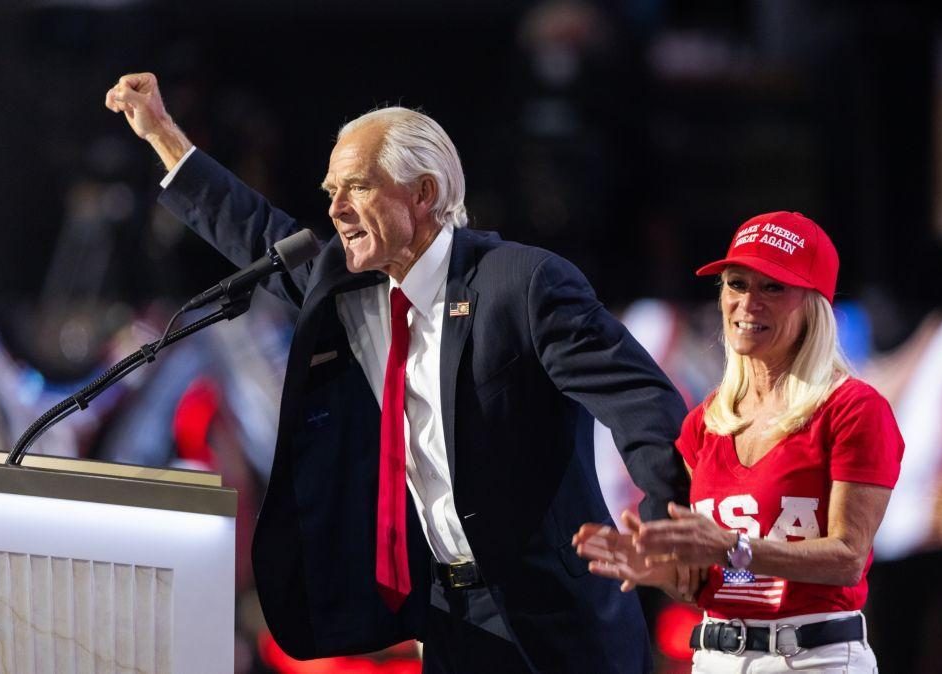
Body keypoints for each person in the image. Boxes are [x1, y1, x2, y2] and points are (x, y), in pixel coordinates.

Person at [105, 72, 690, 673]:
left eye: (356, 187)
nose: (335, 210)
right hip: (447, 616)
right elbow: (258, 231)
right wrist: (163, 135)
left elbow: (644, 403)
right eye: (332, 190)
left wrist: (664, 528)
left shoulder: (523, 284)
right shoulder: (352, 286)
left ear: (422, 193)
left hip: (558, 619)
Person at [575, 211, 904, 673]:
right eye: (736, 283)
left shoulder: (852, 408)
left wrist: (734, 547)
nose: (748, 303)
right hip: (716, 655)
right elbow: (707, 575)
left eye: (773, 287)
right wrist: (659, 571)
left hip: (814, 658)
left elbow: (848, 557)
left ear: (814, 304)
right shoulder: (706, 422)